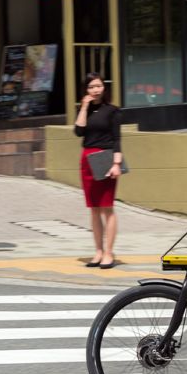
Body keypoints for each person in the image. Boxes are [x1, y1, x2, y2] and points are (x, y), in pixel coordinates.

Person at [74, 72, 123, 270]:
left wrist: (116, 163)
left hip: (105, 157)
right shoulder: (84, 109)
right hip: (87, 158)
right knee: (93, 208)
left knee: (107, 208)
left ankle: (109, 253)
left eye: (98, 86)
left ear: (104, 88)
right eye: (91, 87)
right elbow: (78, 131)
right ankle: (98, 251)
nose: (95, 90)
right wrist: (84, 106)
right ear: (86, 90)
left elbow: (117, 138)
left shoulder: (112, 111)